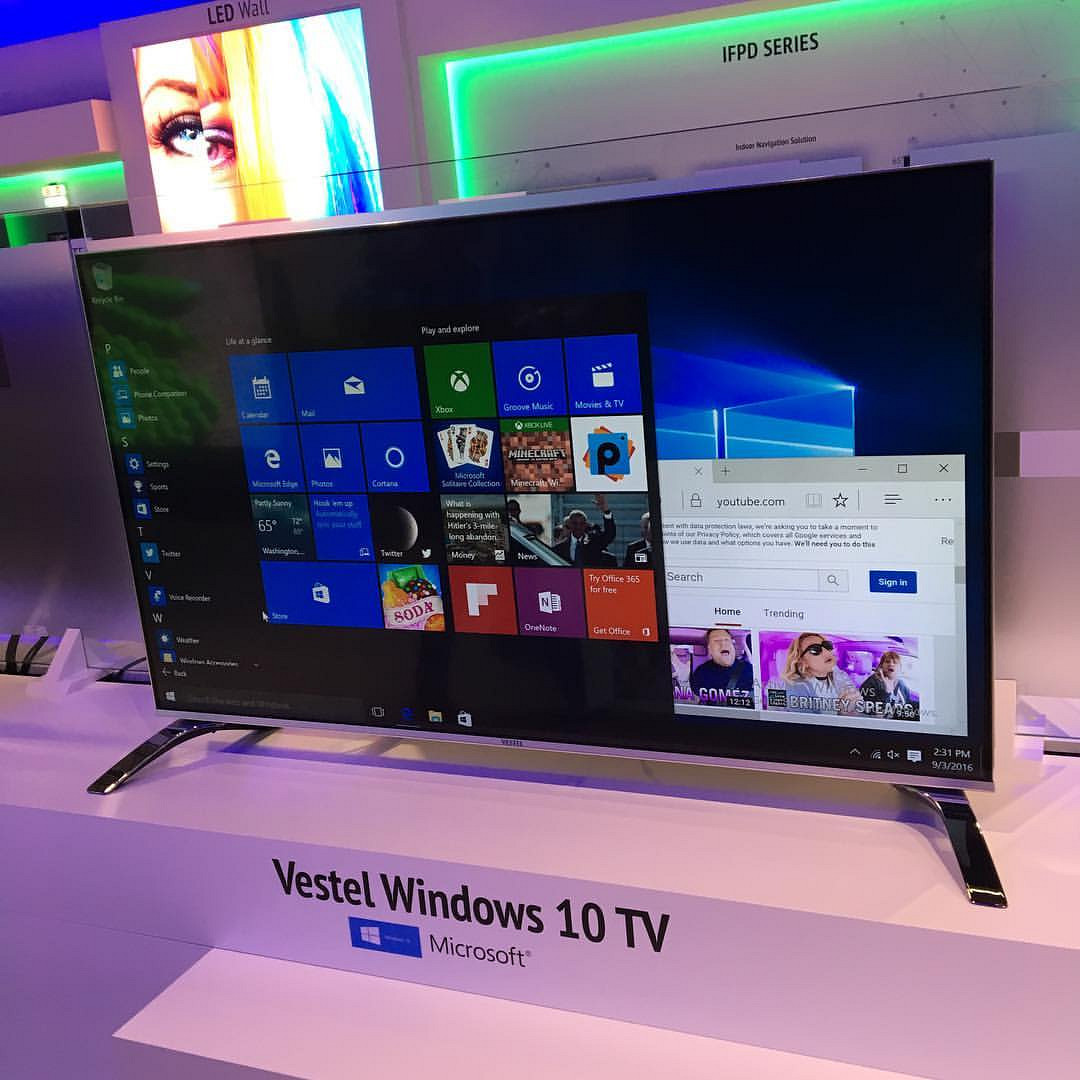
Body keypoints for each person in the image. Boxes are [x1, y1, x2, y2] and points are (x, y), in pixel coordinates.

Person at [774, 633, 860, 714]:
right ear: (802, 661)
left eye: (827, 646)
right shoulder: (795, 688)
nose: (826, 651)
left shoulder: (839, 675)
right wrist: (841, 712)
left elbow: (857, 705)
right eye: (815, 650)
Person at [689, 628, 754, 706]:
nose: (723, 644)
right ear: (709, 648)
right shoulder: (701, 673)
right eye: (716, 641)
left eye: (727, 640)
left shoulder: (750, 670)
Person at [552, 495, 616, 567]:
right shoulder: (559, 548)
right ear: (570, 524)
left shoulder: (595, 543)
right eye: (575, 523)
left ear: (586, 525)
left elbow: (609, 534)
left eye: (581, 524)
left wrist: (606, 512)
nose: (578, 527)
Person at [859, 650, 919, 718]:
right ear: (881, 666)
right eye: (887, 662)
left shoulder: (901, 683)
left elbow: (907, 702)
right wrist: (886, 693)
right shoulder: (871, 683)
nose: (891, 664)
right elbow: (875, 713)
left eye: (895, 662)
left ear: (899, 667)